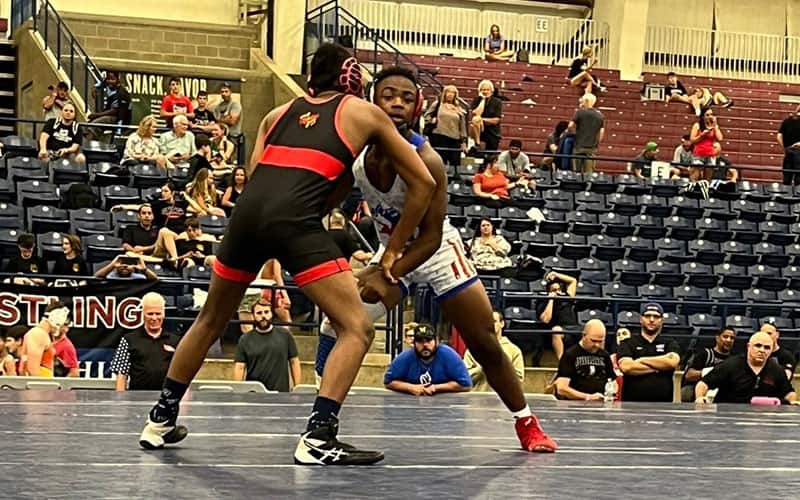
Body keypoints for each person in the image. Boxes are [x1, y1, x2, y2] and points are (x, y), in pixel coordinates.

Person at [138, 44, 435, 467]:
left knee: (210, 319)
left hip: (245, 220)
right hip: (293, 220)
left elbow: (260, 177)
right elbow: (423, 183)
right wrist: (389, 253)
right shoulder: (362, 112)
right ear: (351, 77)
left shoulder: (276, 115)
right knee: (355, 328)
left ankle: (160, 420)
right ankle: (319, 436)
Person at [316, 65, 557, 454]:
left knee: (484, 342)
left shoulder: (426, 160)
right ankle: (323, 417)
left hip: (434, 250)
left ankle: (526, 422)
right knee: (335, 323)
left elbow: (428, 238)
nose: (396, 103)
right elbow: (328, 198)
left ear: (418, 107)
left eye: (407, 98)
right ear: (371, 101)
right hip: (390, 251)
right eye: (388, 95)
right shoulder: (358, 154)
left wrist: (385, 271)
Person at [696, 331, 797, 404]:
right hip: (728, 417)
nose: (762, 350)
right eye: (758, 346)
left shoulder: (777, 370)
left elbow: (789, 393)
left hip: (763, 420)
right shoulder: (730, 365)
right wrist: (700, 398)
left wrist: (792, 402)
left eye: (767, 347)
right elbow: (703, 384)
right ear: (749, 346)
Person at [111, 292, 180, 391]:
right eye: (150, 314)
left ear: (163, 314)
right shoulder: (128, 340)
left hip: (165, 399)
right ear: (142, 314)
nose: (154, 318)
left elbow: (182, 374)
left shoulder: (176, 341)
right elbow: (121, 374)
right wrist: (121, 402)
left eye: (158, 313)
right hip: (136, 399)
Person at [617, 303, 681, 402]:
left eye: (656, 316)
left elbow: (672, 362)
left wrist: (641, 360)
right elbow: (627, 367)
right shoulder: (628, 343)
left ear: (661, 320)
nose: (651, 319)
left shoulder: (670, 343)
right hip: (631, 406)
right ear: (641, 319)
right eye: (647, 316)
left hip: (663, 407)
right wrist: (660, 367)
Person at [384, 324, 472, 395]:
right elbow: (388, 382)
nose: (425, 345)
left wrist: (435, 388)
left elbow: (466, 385)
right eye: (420, 341)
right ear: (414, 343)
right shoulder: (405, 357)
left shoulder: (449, 355)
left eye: (428, 340)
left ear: (436, 341)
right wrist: (410, 387)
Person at [233, 299, 300, 392]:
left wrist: (297, 388)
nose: (263, 316)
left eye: (266, 312)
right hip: (254, 394)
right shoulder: (245, 339)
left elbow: (294, 362)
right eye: (259, 313)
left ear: (271, 313)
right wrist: (237, 392)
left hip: (281, 395)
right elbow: (240, 367)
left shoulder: (285, 335)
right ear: (253, 316)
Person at [463, 311, 524, 392]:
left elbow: (519, 380)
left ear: (502, 323)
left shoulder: (514, 350)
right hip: (478, 399)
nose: (490, 324)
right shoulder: (473, 349)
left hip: (502, 401)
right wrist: (483, 367)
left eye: (494, 321)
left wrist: (501, 367)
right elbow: (465, 378)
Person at [555, 319, 615, 401]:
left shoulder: (604, 355)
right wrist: (587, 397)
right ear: (584, 336)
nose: (597, 345)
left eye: (600, 341)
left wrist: (611, 391)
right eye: (593, 341)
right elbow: (561, 388)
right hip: (575, 406)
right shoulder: (570, 354)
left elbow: (612, 380)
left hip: (600, 405)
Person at [680, 326, 735, 402]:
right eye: (725, 337)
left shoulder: (734, 359)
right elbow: (689, 375)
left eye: (732, 338)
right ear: (717, 338)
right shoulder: (705, 354)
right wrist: (706, 372)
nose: (729, 340)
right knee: (686, 392)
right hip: (698, 388)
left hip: (722, 390)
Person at [18, 302, 70, 377]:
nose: (62, 326)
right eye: (63, 322)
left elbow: (23, 367)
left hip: (43, 383)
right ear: (57, 318)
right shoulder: (39, 334)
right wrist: (40, 386)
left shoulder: (38, 333)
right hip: (42, 385)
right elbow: (32, 368)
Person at [536, 271, 578, 360]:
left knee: (593, 328)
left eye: (559, 290)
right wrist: (551, 299)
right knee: (556, 330)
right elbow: (545, 319)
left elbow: (573, 281)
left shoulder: (566, 297)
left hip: (574, 328)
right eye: (554, 290)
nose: (557, 292)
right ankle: (562, 363)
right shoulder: (543, 302)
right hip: (561, 330)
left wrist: (556, 274)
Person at [424, 84, 467, 167]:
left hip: (454, 139)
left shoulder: (458, 108)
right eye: (448, 92)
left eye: (452, 93)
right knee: (440, 162)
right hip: (439, 136)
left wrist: (464, 141)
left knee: (455, 163)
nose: (450, 94)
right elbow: (427, 116)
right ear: (445, 93)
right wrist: (431, 120)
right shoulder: (438, 104)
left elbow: (462, 126)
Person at [569, 93, 604, 173]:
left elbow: (570, 126)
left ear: (586, 101)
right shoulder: (600, 115)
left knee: (576, 172)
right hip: (591, 148)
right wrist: (596, 142)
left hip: (579, 146)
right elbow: (601, 133)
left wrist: (573, 134)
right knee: (588, 172)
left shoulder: (579, 112)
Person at [469, 80, 503, 154]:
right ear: (480, 91)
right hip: (479, 132)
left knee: (489, 157)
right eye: (483, 90)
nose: (485, 92)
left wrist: (481, 120)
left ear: (492, 91)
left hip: (492, 134)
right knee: (475, 119)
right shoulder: (476, 100)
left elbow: (496, 120)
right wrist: (483, 100)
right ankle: (477, 143)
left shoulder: (497, 102)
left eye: (487, 90)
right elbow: (476, 114)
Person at [690, 109, 723, 180]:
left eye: (711, 114)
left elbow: (720, 138)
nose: (710, 116)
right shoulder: (697, 125)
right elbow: (692, 140)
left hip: (710, 154)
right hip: (699, 154)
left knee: (708, 179)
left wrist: (715, 126)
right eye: (707, 115)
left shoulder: (714, 126)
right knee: (695, 176)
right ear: (703, 117)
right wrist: (702, 135)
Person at [777, 105, 800, 186]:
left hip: (788, 150)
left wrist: (784, 148)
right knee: (798, 178)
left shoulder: (787, 120)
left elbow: (779, 136)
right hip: (799, 151)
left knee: (787, 177)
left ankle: (787, 196)